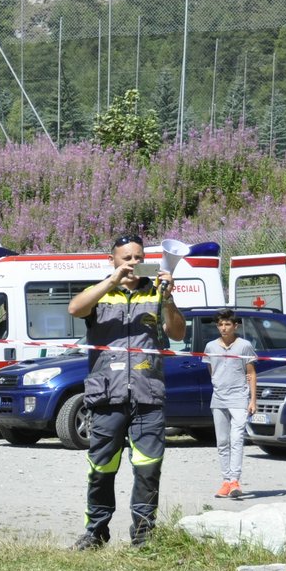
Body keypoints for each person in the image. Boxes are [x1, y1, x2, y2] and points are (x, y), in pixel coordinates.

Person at [67, 233, 185, 549]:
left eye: (137, 257)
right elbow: (75, 309)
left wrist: (169, 296)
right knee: (101, 468)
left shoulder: (156, 293)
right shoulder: (99, 293)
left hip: (147, 394)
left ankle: (144, 534)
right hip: (106, 395)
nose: (133, 263)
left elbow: (177, 332)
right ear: (113, 260)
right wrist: (111, 281)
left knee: (148, 468)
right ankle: (96, 532)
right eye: (126, 258)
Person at [204, 307, 257, 499]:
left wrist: (252, 400)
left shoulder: (244, 346)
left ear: (235, 326)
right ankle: (225, 481)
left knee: (236, 440)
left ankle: (235, 480)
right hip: (218, 399)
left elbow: (250, 373)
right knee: (222, 441)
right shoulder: (210, 347)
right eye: (220, 324)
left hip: (239, 398)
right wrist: (218, 385)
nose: (224, 328)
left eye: (228, 324)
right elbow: (212, 370)